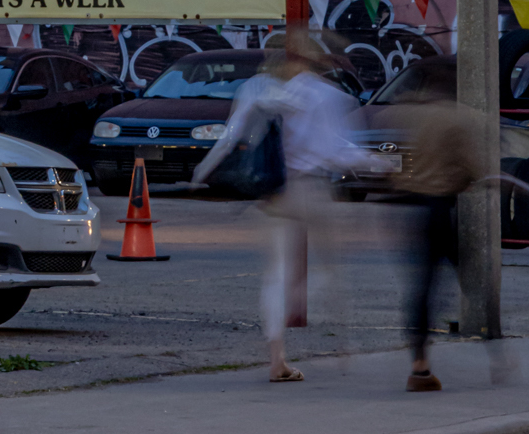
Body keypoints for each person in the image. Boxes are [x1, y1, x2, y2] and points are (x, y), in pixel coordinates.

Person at [192, 28, 370, 383]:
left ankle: (277, 358)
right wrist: (380, 164)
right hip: (311, 189)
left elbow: (230, 137)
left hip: (275, 192)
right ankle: (344, 348)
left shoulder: (255, 89)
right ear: (312, 58)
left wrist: (202, 172)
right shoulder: (324, 95)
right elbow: (336, 150)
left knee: (276, 275)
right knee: (329, 268)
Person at [383, 55, 485, 391]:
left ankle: (419, 363)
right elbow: (473, 168)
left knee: (420, 287)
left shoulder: (406, 115)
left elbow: (398, 164)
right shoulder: (456, 121)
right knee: (466, 278)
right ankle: (493, 347)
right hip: (440, 208)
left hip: (409, 207)